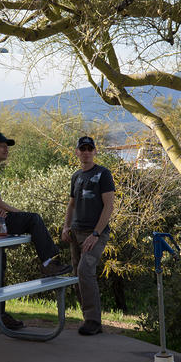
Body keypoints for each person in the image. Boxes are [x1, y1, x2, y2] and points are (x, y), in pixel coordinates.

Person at [0, 132, 72, 330]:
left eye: (7, 146)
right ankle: (47, 263)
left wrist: (0, 211)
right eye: (1, 145)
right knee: (33, 219)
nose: (6, 149)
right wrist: (15, 211)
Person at [61, 136, 115, 336]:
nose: (86, 152)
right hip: (76, 232)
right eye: (82, 149)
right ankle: (87, 319)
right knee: (77, 275)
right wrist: (66, 227)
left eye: (89, 149)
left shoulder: (103, 174)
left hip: (95, 234)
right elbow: (71, 205)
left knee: (85, 271)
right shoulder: (76, 176)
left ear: (95, 152)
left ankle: (93, 321)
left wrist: (96, 233)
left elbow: (109, 206)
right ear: (77, 152)